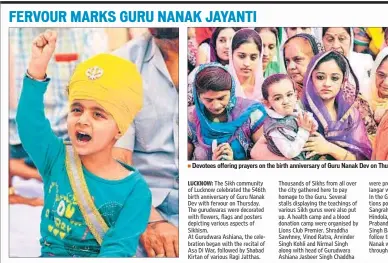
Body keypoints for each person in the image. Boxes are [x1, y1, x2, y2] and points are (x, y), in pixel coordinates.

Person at [16, 30, 151, 257]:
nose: (83, 120)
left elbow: (117, 251)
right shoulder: (56, 158)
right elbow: (29, 123)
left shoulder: (136, 192)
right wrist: (37, 69)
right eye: (77, 109)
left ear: (120, 129)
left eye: (98, 114)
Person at [9, 28, 108, 206]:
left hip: (70, 139)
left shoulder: (89, 30)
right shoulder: (9, 30)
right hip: (16, 142)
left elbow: (97, 101)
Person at [111, 28, 179, 257]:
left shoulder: (225, 54)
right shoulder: (121, 65)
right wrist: (148, 222)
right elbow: (116, 163)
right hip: (144, 206)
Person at [252, 51, 372, 160]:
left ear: (343, 82)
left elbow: (362, 160)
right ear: (310, 78)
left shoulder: (351, 115)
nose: (327, 84)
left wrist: (329, 148)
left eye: (335, 78)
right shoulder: (296, 110)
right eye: (320, 77)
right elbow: (256, 151)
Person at [188, 63, 267, 160]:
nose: (216, 106)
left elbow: (266, 161)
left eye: (221, 98)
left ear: (231, 91)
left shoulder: (251, 114)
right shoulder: (190, 119)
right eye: (209, 100)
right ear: (198, 97)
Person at [261, 74, 318, 160]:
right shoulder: (275, 128)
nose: (286, 101)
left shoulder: (296, 109)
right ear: (267, 103)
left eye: (289, 95)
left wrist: (311, 124)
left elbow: (312, 124)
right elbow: (290, 153)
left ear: (295, 95)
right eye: (277, 98)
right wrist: (304, 130)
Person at [188, 27, 239, 106]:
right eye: (222, 40)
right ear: (215, 44)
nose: (227, 46)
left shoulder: (244, 71)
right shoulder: (201, 71)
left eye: (232, 41)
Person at [322, 27, 374, 98]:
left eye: (342, 39)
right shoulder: (315, 67)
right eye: (330, 39)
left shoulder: (365, 62)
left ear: (351, 39)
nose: (336, 45)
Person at [283, 33, 324, 98]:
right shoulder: (283, 95)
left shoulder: (331, 92)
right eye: (287, 61)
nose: (290, 67)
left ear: (315, 60)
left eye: (297, 59)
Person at [228, 28, 265, 101]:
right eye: (241, 56)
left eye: (253, 57)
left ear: (260, 58)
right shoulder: (222, 86)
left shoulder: (267, 88)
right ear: (231, 54)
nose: (247, 63)